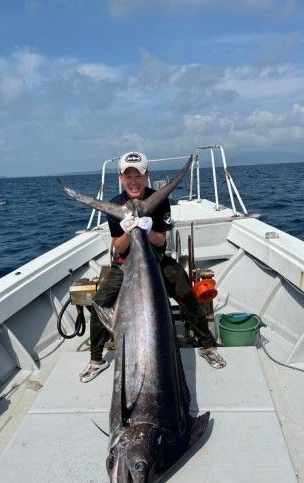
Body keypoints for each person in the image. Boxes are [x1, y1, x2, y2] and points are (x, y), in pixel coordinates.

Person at [79, 151, 226, 383]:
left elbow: (162, 241)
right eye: (128, 176)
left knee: (186, 293)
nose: (133, 181)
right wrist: (130, 230)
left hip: (156, 260)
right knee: (100, 304)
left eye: (138, 175)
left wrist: (145, 230)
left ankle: (207, 346)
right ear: (120, 178)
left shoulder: (159, 200)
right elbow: (118, 246)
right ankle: (95, 360)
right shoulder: (114, 205)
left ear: (147, 176)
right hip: (124, 266)